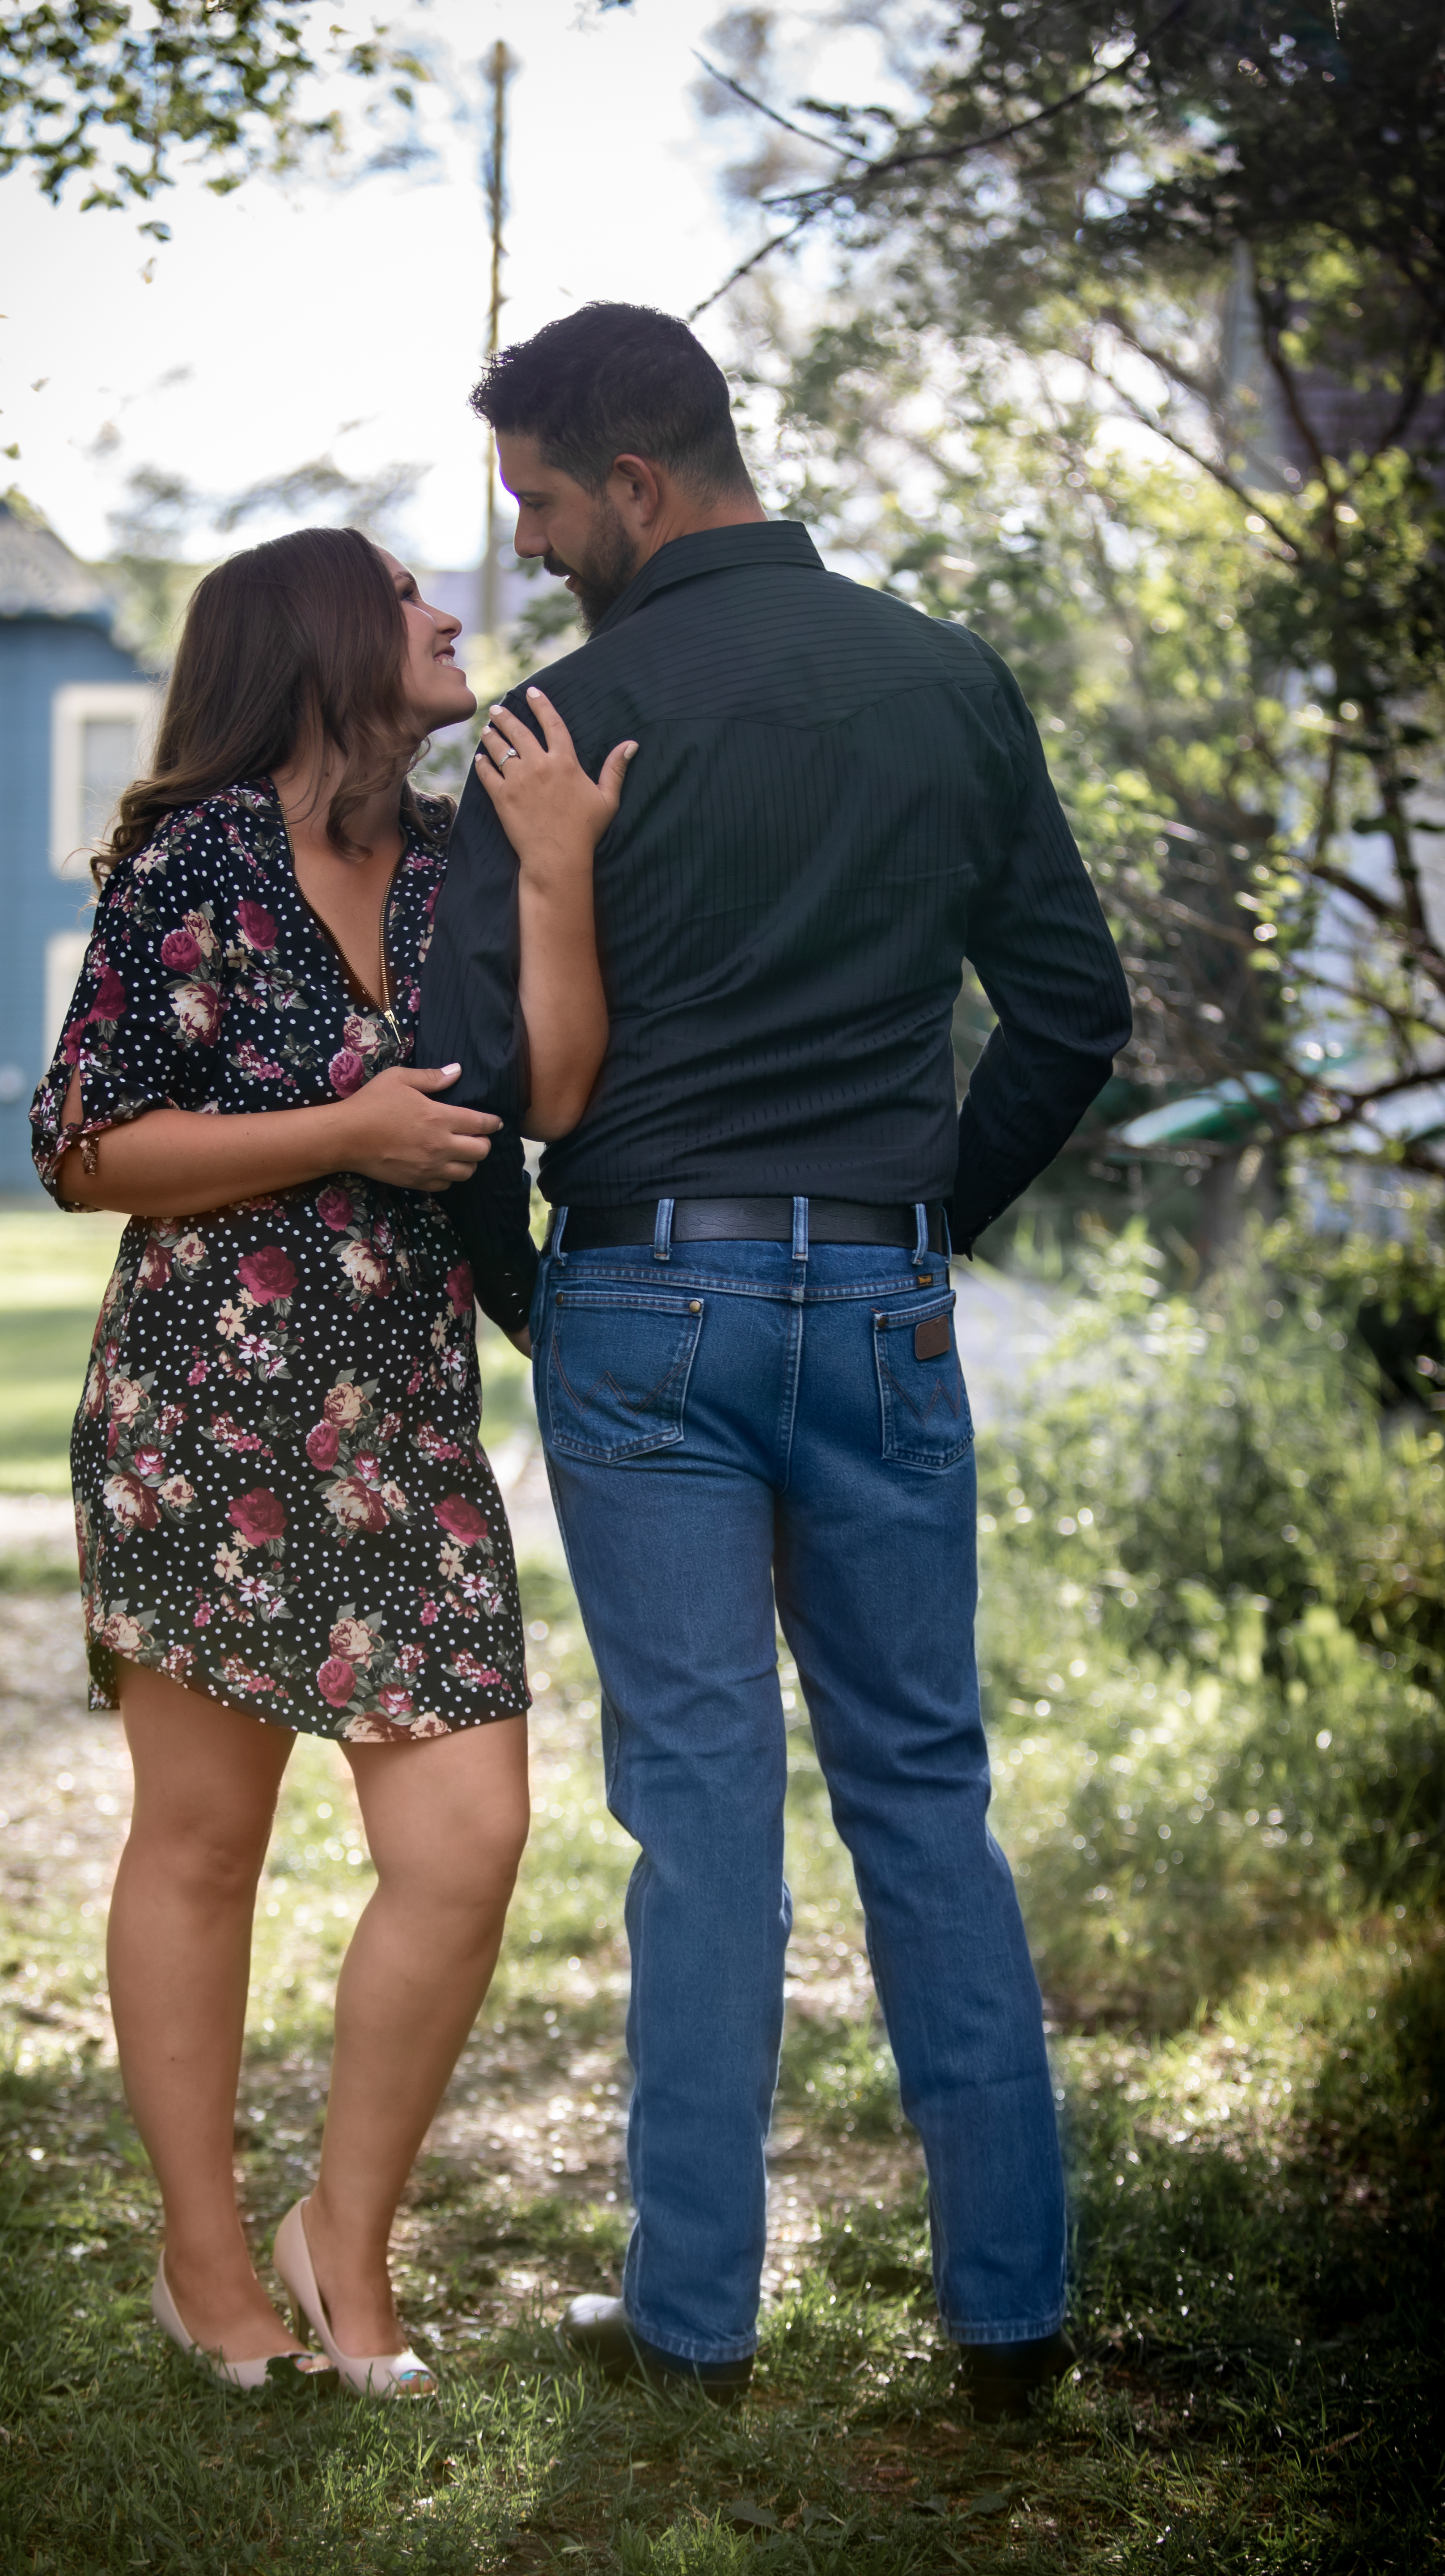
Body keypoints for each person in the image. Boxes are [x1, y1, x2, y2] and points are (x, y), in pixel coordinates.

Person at [417, 305, 1133, 2419]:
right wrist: (922, 1225)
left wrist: (540, 1295)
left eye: (542, 500)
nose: (530, 546)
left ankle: (694, 2326)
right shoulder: (945, 679)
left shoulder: (555, 727)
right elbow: (1074, 1017)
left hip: (649, 1296)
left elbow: (463, 1090)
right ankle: (1012, 2322)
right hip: (882, 1296)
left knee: (705, 1812)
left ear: (637, 484)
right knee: (926, 1789)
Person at [29, 525, 634, 2395]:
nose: (448, 615)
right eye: (404, 595)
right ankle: (205, 2257)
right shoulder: (196, 857)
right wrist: (338, 1129)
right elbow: (84, 1145)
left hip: (404, 1434)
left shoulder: (462, 856)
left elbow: (556, 1095)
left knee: (468, 1846)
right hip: (203, 1418)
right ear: (316, 635)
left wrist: (559, 874)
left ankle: (342, 2238)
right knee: (203, 1844)